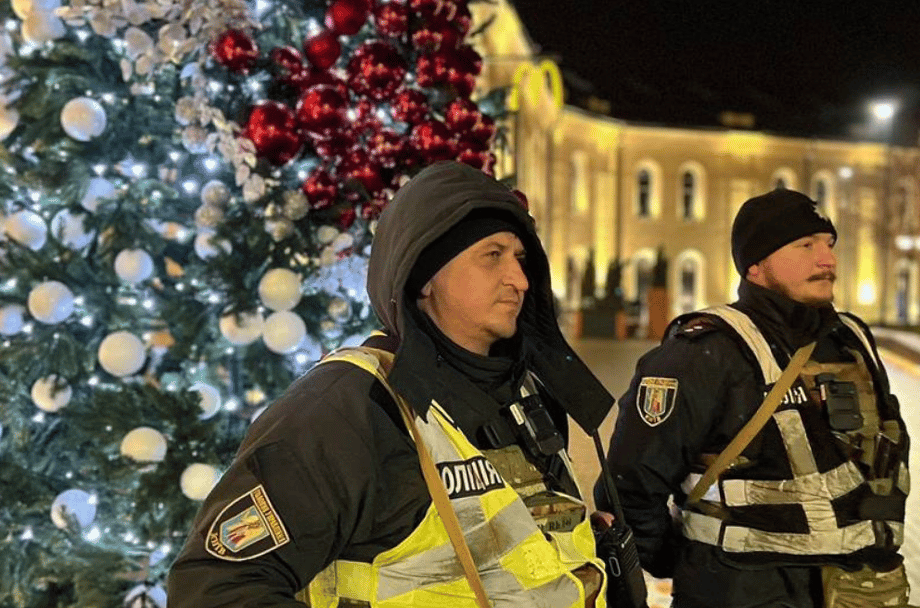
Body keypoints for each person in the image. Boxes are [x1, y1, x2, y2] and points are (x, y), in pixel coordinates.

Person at [169, 161, 615, 608]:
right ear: (424, 277)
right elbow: (214, 590)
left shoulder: (529, 397)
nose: (519, 279)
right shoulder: (346, 410)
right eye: (492, 255)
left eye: (520, 259)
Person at [597, 188, 915, 608]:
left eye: (829, 244)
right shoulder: (705, 352)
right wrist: (692, 563)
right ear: (755, 266)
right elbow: (629, 489)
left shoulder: (850, 341)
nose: (828, 260)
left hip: (865, 593)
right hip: (740, 593)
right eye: (806, 246)